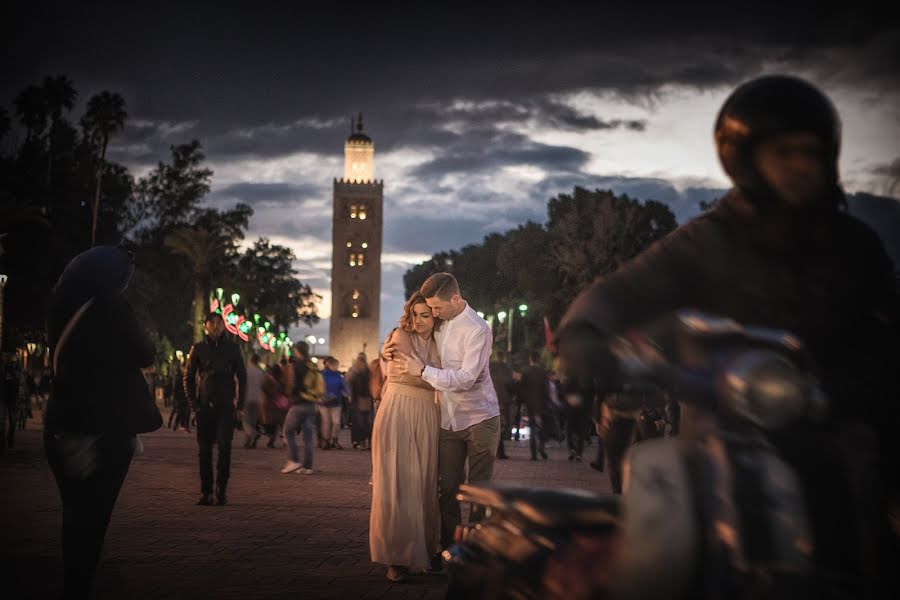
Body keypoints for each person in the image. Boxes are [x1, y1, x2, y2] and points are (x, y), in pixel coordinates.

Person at [554, 75, 899, 589]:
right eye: (784, 153)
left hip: (835, 435)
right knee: (682, 562)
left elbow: (888, 333)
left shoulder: (856, 246)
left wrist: (846, 390)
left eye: (811, 152)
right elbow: (624, 290)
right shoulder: (708, 241)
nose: (800, 166)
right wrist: (582, 332)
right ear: (746, 158)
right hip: (725, 440)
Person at [43, 245, 162, 598]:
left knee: (74, 511)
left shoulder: (58, 306)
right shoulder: (112, 307)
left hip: (63, 424)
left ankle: (72, 581)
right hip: (107, 429)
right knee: (95, 516)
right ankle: (80, 584)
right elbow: (145, 353)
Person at [389, 272, 500, 553]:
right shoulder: (440, 323)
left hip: (480, 418)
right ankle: (450, 547)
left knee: (478, 489)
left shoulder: (478, 329)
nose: (434, 313)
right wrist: (387, 351)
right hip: (447, 419)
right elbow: (415, 336)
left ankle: (474, 550)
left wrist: (423, 371)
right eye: (431, 309)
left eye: (437, 308)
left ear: (455, 298)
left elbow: (466, 378)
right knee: (447, 488)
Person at [370, 292, 442, 582]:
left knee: (424, 483)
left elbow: (448, 374)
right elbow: (402, 373)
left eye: (426, 315)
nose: (420, 321)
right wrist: (439, 376)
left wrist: (432, 375)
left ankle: (420, 553)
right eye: (415, 314)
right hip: (398, 409)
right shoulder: (400, 334)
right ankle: (395, 558)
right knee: (397, 482)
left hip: (428, 413)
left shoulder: (443, 339)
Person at [184, 312, 247, 506]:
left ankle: (222, 490)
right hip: (204, 407)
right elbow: (188, 378)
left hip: (226, 407)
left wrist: (240, 406)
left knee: (225, 448)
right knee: (204, 451)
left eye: (220, 322)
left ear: (224, 326)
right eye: (212, 322)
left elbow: (242, 378)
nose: (216, 326)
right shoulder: (198, 348)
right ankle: (207, 492)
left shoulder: (233, 348)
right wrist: (194, 405)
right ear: (205, 326)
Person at [280, 341, 323, 474]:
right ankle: (307, 466)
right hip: (312, 404)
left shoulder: (297, 365)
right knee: (308, 437)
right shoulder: (312, 365)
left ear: (297, 351)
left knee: (287, 431)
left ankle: (293, 460)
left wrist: (291, 394)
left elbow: (295, 385)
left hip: (300, 403)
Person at [516, 351, 550, 461]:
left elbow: (521, 389)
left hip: (529, 404)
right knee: (542, 427)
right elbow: (546, 389)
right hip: (541, 404)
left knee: (532, 428)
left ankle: (534, 454)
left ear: (530, 360)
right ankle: (541, 447)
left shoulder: (525, 372)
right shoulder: (543, 372)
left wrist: (522, 402)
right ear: (539, 359)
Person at [489, 350, 515, 459]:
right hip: (503, 402)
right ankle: (499, 451)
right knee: (503, 427)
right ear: (503, 357)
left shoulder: (490, 368)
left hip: (491, 400)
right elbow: (511, 385)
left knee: (495, 427)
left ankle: (496, 450)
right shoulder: (506, 369)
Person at [319, 357, 347, 450]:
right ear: (329, 365)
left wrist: (347, 393)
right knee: (326, 423)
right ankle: (326, 440)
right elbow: (318, 387)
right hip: (324, 403)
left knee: (336, 422)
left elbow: (344, 386)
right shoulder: (322, 375)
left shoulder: (338, 376)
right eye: (335, 365)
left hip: (336, 402)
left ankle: (334, 439)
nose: (336, 367)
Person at [347, 353, 374, 450]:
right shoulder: (356, 372)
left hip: (365, 399)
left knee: (365, 422)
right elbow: (349, 385)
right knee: (360, 422)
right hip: (358, 399)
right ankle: (359, 441)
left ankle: (362, 441)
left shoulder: (367, 372)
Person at [243, 353, 267, 448]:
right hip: (258, 399)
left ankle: (253, 434)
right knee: (252, 421)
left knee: (245, 421)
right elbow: (263, 385)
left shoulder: (246, 371)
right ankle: (248, 442)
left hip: (247, 398)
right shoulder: (261, 372)